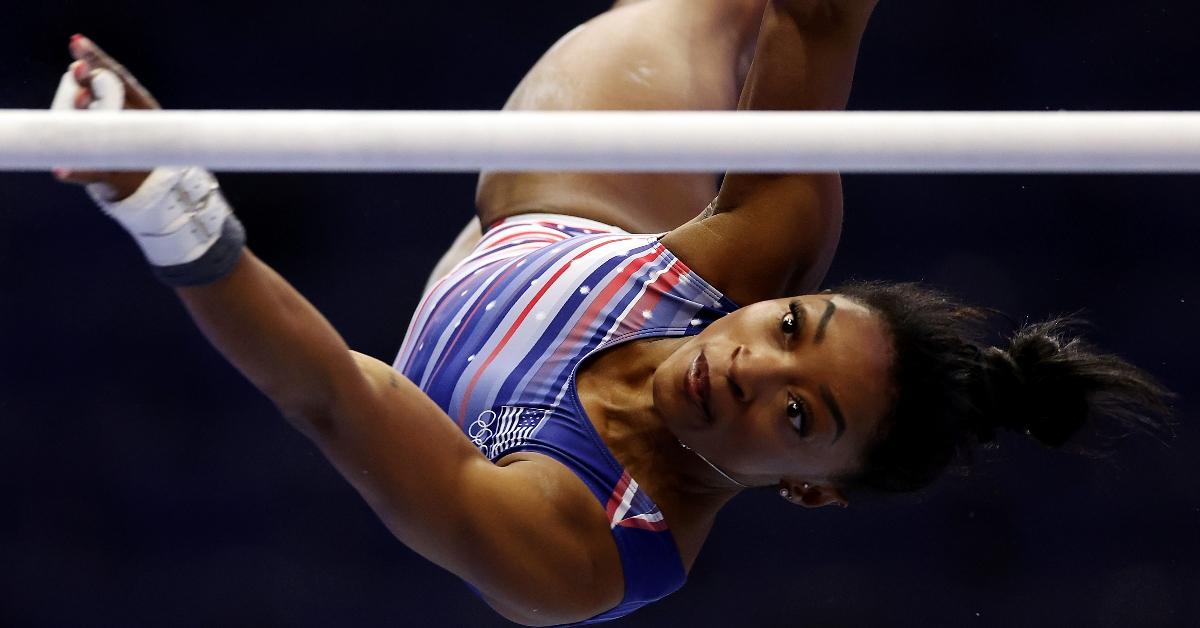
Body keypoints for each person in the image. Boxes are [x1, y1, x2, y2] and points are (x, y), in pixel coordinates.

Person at [53, 1, 1172, 625]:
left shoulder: (578, 548)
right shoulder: (755, 255)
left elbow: (332, 397)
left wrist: (163, 194)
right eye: (789, 328)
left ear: (810, 487)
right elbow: (819, 19)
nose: (750, 368)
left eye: (797, 416)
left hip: (470, 366)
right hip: (567, 224)